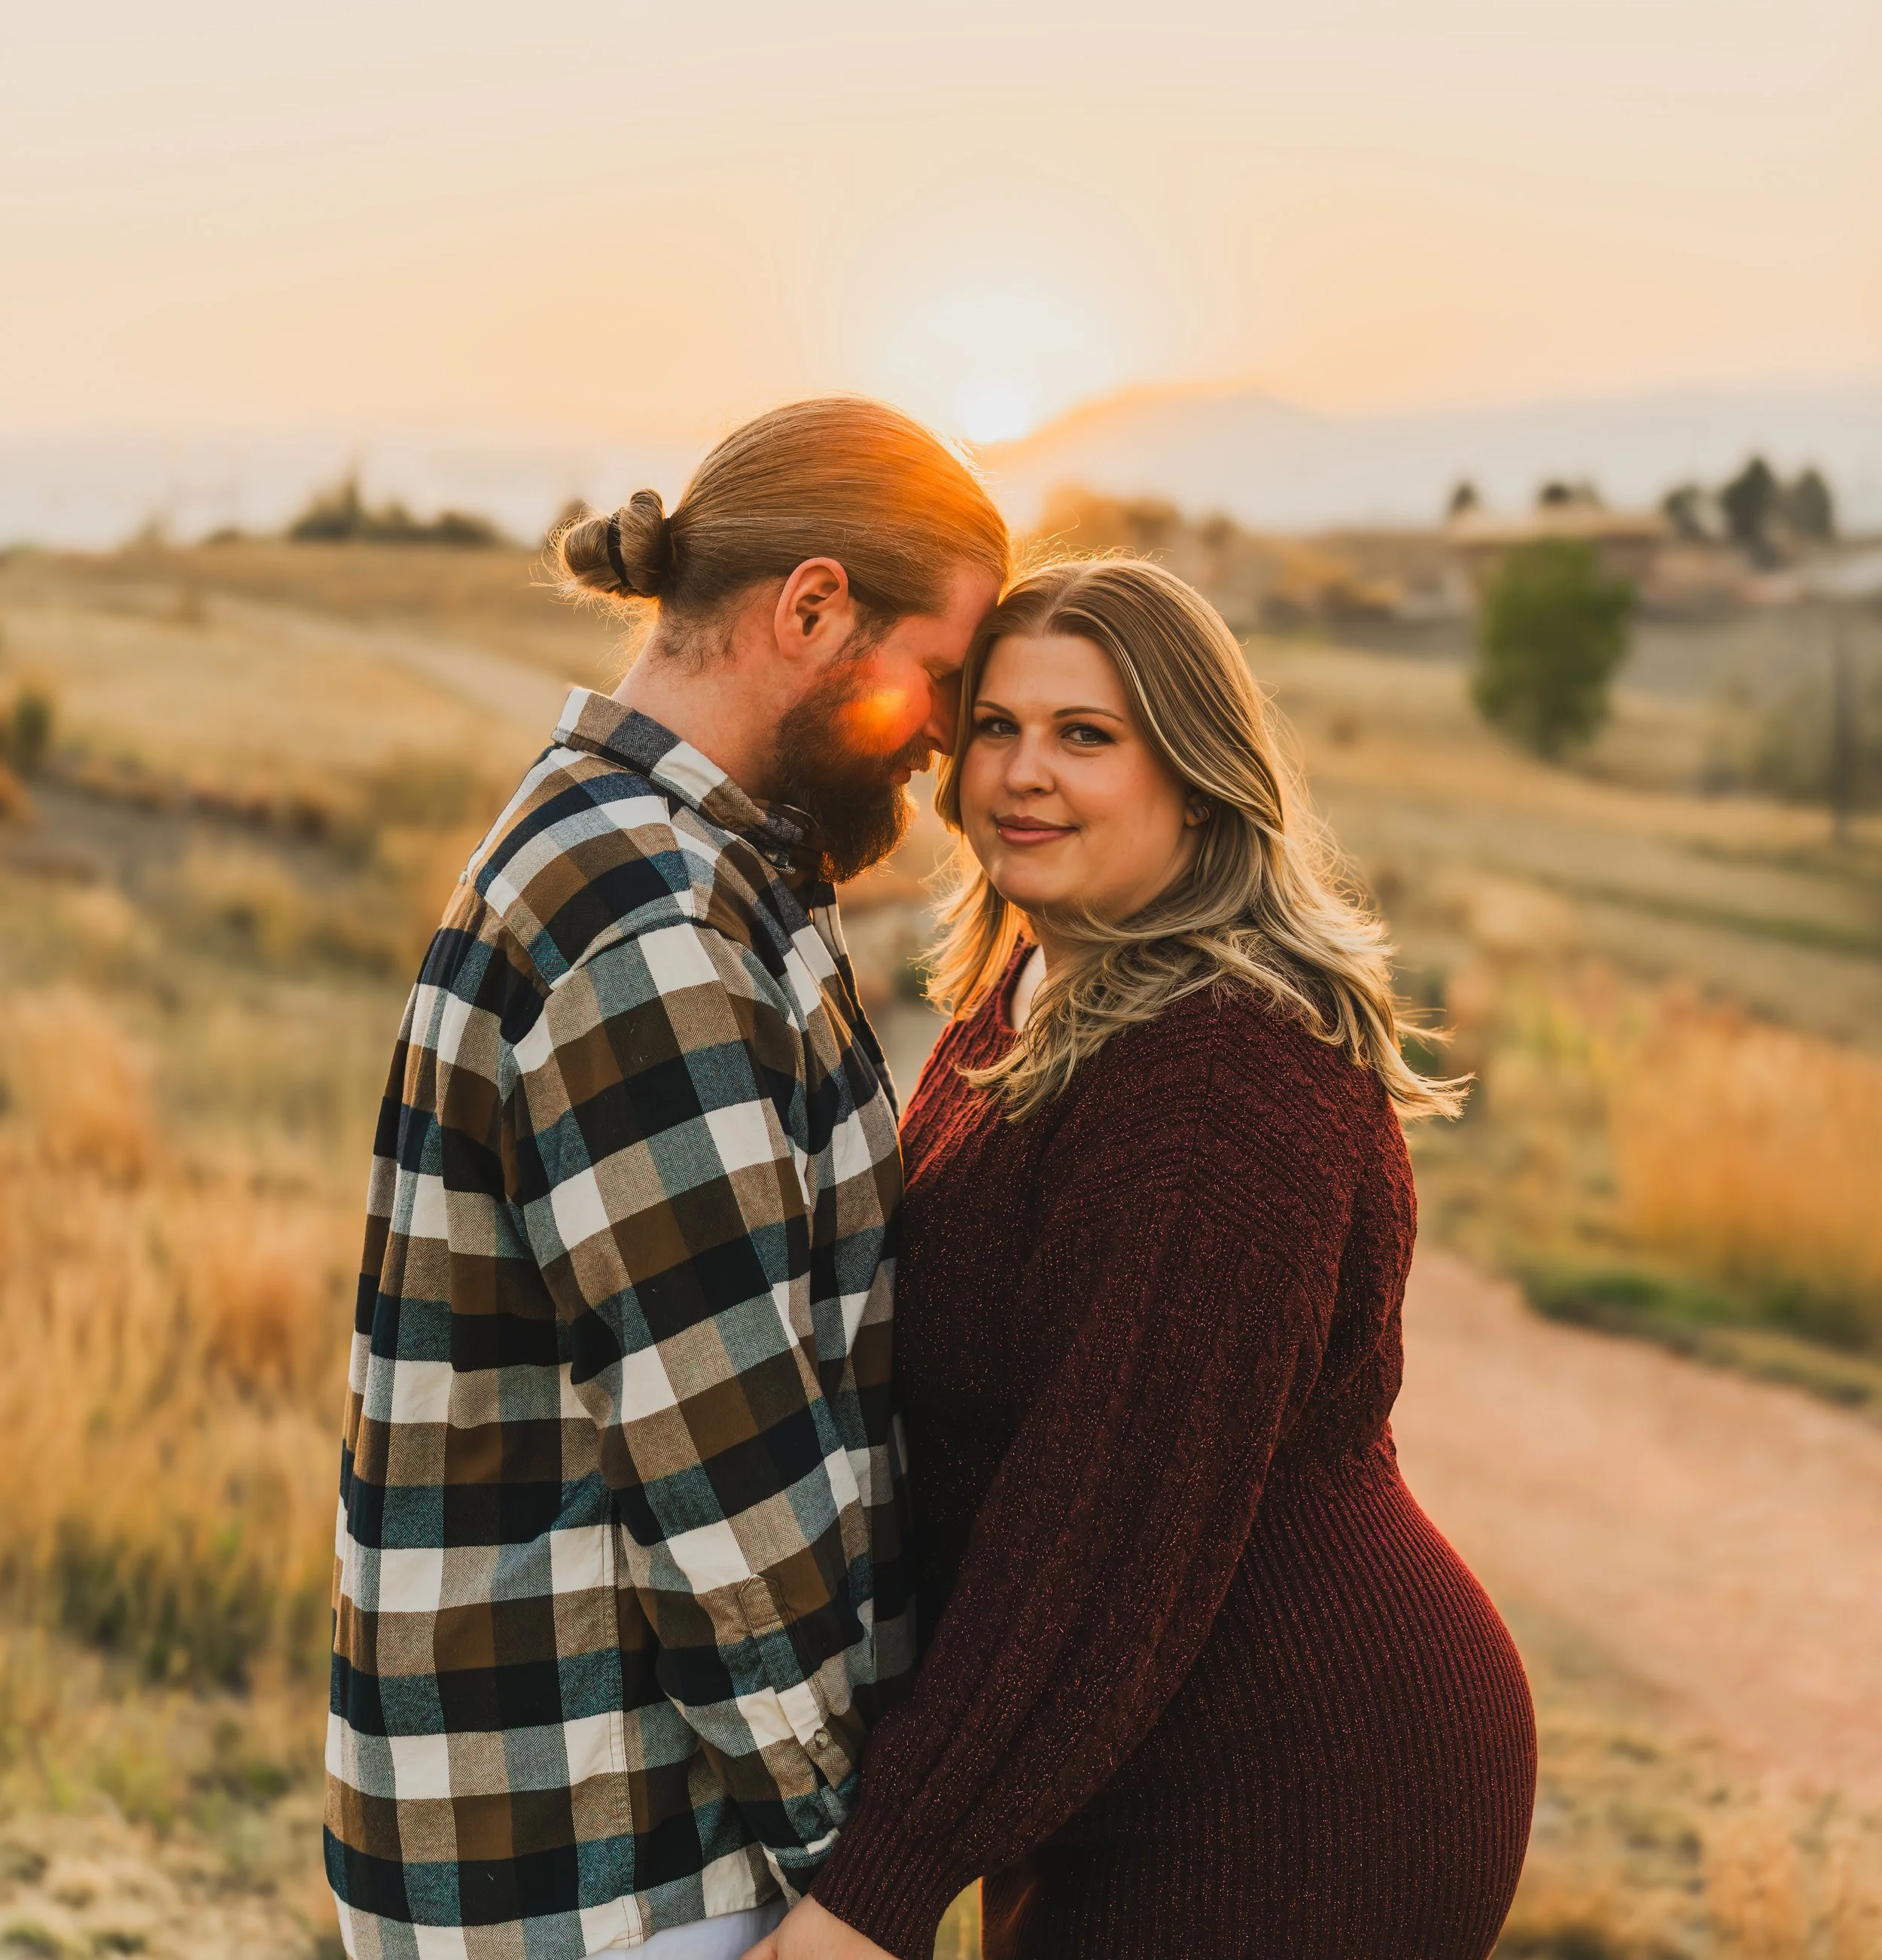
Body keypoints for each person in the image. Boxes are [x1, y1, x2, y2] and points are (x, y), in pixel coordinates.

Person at [762, 557, 1536, 1960]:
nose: (1021, 773)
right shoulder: (1038, 986)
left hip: (1297, 1787)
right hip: (1120, 1754)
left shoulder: (1220, 1076)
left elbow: (1107, 1518)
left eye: (1085, 735)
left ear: (1196, 772)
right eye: (996, 724)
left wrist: (876, 1891)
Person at [324, 398, 1009, 1960]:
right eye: (944, 674)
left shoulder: (670, 861)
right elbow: (726, 1481)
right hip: (625, 1874)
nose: (950, 733)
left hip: (606, 1852)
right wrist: (856, 1888)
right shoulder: (652, 920)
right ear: (813, 607)